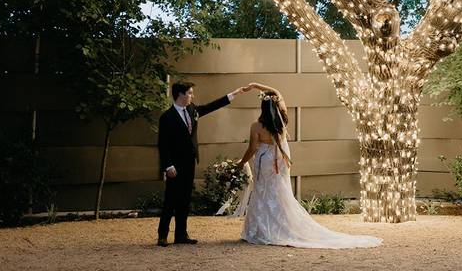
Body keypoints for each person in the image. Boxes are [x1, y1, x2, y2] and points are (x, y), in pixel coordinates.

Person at [233, 82, 381, 249]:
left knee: (262, 190)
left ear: (262, 106)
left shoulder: (256, 126)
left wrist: (241, 163)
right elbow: (277, 91)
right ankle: (280, 226)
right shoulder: (282, 121)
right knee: (279, 191)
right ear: (276, 105)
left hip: (264, 160)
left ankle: (259, 229)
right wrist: (255, 86)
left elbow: (252, 148)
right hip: (279, 161)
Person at [157, 81, 252, 246]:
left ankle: (181, 235)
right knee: (171, 199)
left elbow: (210, 107)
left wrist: (234, 94)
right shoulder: (167, 117)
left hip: (190, 162)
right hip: (174, 165)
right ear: (180, 94)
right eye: (190, 93)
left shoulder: (192, 109)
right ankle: (162, 235)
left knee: (185, 199)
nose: (192, 96)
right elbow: (162, 144)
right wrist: (168, 165)